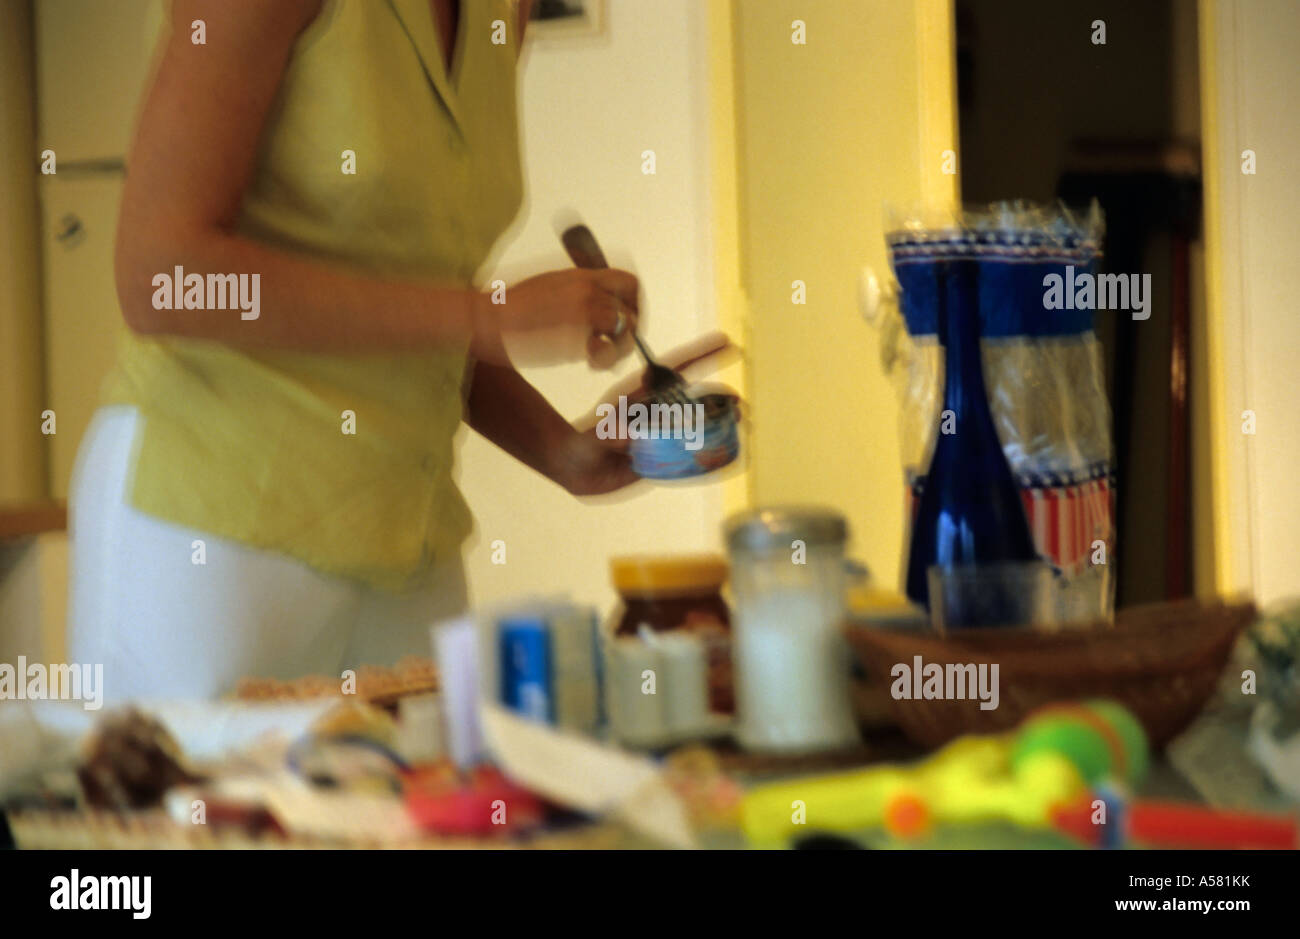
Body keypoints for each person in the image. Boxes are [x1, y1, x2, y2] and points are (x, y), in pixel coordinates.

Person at [67, 0, 646, 699]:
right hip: (215, 531)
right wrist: (478, 315)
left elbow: (415, 299)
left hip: (406, 540)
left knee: (439, 801)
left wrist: (561, 450)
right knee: (181, 810)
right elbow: (161, 278)